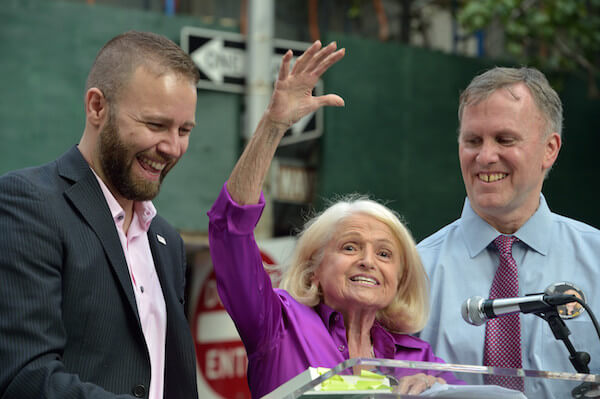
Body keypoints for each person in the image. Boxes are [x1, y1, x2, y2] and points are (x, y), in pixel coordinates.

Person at [208, 41, 458, 399]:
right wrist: (273, 126)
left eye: (385, 254)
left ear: (399, 279)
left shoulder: (418, 358)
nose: (368, 261)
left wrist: (440, 390)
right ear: (314, 268)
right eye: (350, 246)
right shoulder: (278, 325)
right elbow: (230, 232)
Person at [0, 31, 199, 398]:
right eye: (155, 125)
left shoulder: (167, 241)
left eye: (184, 130)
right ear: (96, 107)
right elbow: (23, 376)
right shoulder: (26, 204)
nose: (172, 147)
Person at [417, 67, 600, 398]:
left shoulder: (596, 259)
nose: (485, 156)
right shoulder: (412, 270)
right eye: (473, 140)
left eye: (505, 139)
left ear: (550, 149)